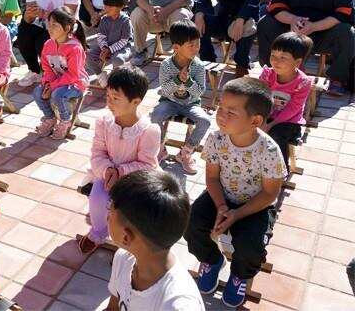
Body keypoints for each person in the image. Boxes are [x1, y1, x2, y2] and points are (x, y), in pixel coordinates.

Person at [185, 78, 283, 308]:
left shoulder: (269, 150)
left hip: (255, 205)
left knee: (251, 246)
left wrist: (237, 214)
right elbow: (212, 178)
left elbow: (269, 194)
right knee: (190, 223)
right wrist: (221, 207)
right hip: (221, 195)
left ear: (255, 120)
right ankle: (212, 260)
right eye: (220, 108)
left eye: (231, 112)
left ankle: (239, 276)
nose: (221, 115)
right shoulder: (216, 138)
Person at [78, 66, 160, 255]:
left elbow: (147, 165)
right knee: (97, 198)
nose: (109, 102)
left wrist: (120, 172)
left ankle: (132, 240)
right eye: (107, 96)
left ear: (135, 101)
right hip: (105, 175)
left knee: (133, 210)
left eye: (115, 98)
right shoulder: (104, 122)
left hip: (135, 180)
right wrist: (107, 170)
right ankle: (98, 232)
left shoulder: (149, 130)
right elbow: (97, 153)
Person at [105, 170, 204, 311]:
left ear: (126, 237)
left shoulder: (178, 305)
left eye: (110, 212)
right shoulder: (123, 259)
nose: (107, 217)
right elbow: (113, 307)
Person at [150, 20, 210, 174]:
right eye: (191, 45)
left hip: (191, 104)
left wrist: (188, 82)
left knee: (205, 121)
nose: (196, 48)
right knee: (155, 116)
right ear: (176, 47)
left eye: (198, 43)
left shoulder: (198, 66)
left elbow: (200, 92)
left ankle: (186, 152)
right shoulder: (166, 65)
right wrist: (177, 80)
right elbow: (165, 90)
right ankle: (160, 149)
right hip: (169, 102)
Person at [17, 0, 80, 87]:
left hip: (64, 27)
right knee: (23, 33)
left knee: (44, 41)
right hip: (41, 24)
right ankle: (34, 70)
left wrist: (45, 14)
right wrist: (28, 14)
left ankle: (55, 73)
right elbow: (29, 19)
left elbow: (69, 16)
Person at [33, 8, 89, 140]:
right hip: (57, 82)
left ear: (67, 28)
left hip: (76, 83)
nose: (49, 28)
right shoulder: (48, 44)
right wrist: (48, 84)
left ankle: (65, 121)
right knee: (37, 92)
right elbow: (46, 68)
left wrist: (53, 86)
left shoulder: (74, 48)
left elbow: (73, 75)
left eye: (55, 25)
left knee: (57, 94)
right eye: (49, 24)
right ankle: (50, 118)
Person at [259, 32, 313, 168]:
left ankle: (280, 169)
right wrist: (263, 120)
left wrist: (271, 124)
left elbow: (293, 108)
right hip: (267, 114)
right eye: (273, 55)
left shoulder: (303, 82)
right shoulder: (267, 74)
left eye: (283, 57)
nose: (276, 61)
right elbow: (261, 97)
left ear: (297, 62)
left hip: (289, 121)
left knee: (276, 136)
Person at [87, 0, 133, 87]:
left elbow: (124, 41)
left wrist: (109, 50)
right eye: (105, 5)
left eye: (110, 6)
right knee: (88, 55)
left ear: (121, 7)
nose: (107, 8)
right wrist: (104, 48)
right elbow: (101, 36)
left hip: (122, 48)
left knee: (118, 60)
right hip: (106, 46)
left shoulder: (125, 21)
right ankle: (100, 75)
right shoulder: (104, 19)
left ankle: (116, 78)